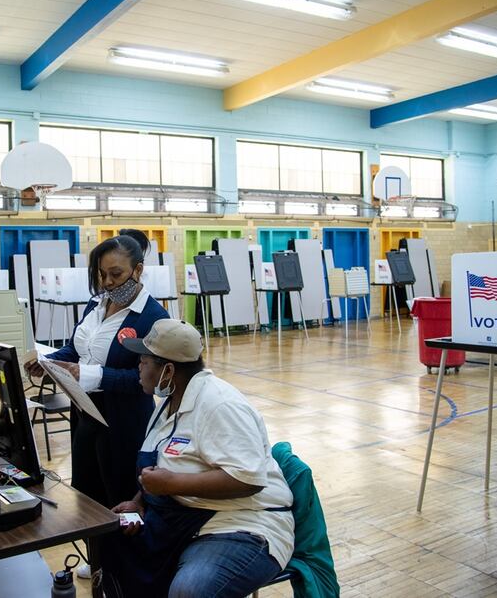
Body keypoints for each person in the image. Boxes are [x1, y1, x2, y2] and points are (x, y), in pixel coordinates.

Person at [102, 319, 295, 598]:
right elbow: (163, 466)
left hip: (242, 525)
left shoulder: (220, 405)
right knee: (107, 541)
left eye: (144, 361)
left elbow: (248, 479)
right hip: (184, 518)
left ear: (168, 369)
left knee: (190, 590)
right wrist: (139, 501)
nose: (138, 368)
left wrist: (171, 485)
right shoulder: (168, 403)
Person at [25, 230, 168, 577]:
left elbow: (144, 382)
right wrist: (50, 362)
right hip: (86, 414)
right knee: (88, 494)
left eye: (115, 274)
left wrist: (88, 375)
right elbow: (77, 349)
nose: (107, 282)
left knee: (119, 495)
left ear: (138, 270)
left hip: (123, 422)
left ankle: (126, 571)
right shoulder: (96, 304)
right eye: (102, 274)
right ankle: (100, 560)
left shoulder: (151, 317)